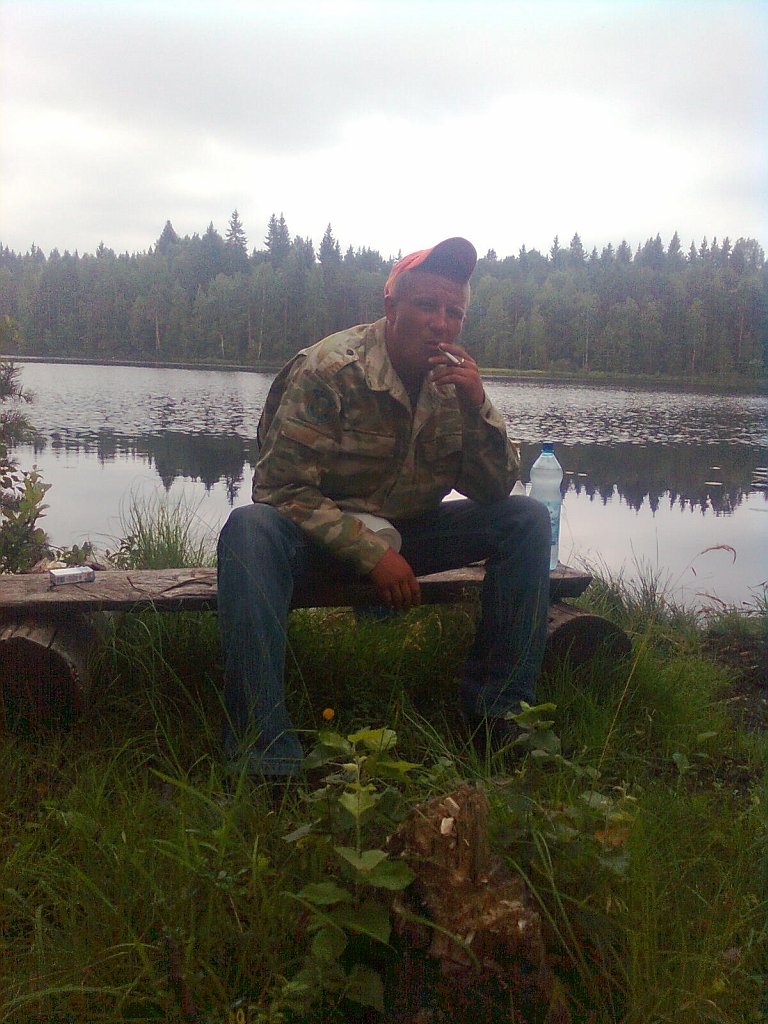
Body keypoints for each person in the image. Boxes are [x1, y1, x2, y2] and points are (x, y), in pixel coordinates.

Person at [217, 236, 551, 779]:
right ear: (391, 307)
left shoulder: (454, 385)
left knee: (526, 519)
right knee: (250, 529)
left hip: (410, 535)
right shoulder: (330, 369)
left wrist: (477, 406)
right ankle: (264, 750)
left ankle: (500, 714)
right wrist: (371, 554)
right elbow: (279, 488)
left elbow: (493, 490)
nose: (441, 323)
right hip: (321, 545)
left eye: (454, 312)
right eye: (426, 306)